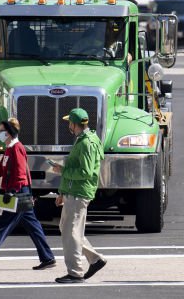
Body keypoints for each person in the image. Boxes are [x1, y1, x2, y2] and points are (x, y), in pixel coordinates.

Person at [0, 118, 56, 272]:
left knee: (2, 226)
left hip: (17, 192)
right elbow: (0, 169)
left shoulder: (16, 148)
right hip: (19, 191)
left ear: (9, 132)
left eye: (1, 130)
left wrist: (12, 191)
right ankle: (47, 257)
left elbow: (20, 173)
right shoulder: (9, 149)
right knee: (33, 226)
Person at [51, 107, 106, 284]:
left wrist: (62, 170)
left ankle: (75, 273)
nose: (69, 125)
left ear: (75, 124)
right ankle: (96, 260)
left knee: (71, 232)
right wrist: (62, 192)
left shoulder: (85, 143)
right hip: (74, 191)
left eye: (70, 122)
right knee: (70, 230)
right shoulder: (87, 139)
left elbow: (85, 172)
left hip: (79, 192)